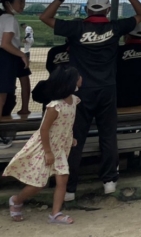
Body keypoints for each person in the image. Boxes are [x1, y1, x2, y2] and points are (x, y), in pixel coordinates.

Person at [39, 0, 141, 200]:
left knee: (75, 137)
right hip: (107, 88)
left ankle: (69, 188)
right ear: (108, 9)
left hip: (80, 91)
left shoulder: (76, 28)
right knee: (108, 135)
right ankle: (109, 181)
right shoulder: (115, 27)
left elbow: (45, 17)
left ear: (87, 9)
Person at [3, 66, 82, 225]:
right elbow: (44, 129)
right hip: (45, 147)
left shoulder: (74, 100)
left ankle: (55, 214)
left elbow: (67, 123)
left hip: (60, 147)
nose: (81, 78)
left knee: (63, 179)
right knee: (39, 183)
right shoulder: (55, 106)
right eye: (78, 76)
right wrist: (48, 152)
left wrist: (69, 137)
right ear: (70, 82)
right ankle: (16, 200)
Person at [1, 0, 30, 137]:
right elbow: (5, 43)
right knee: (3, 93)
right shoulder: (9, 19)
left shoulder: (3, 17)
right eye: (20, 2)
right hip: (6, 56)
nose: (23, 5)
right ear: (8, 3)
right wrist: (22, 55)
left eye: (24, 2)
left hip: (8, 55)